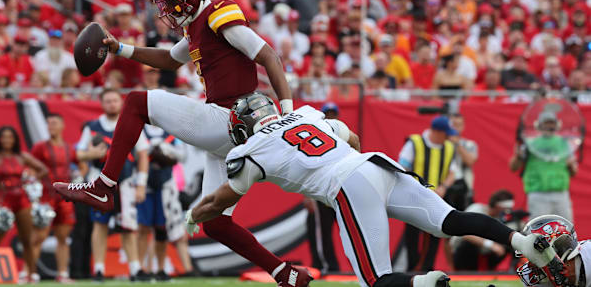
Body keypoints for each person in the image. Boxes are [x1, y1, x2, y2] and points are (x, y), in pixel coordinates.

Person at [54, 0, 304, 287]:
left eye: (171, 1)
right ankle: (284, 274)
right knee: (214, 223)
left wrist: (287, 110)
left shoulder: (219, 11)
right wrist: (120, 48)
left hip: (229, 117)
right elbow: (170, 60)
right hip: (229, 125)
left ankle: (104, 188)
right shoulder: (198, 21)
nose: (166, 9)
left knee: (136, 102)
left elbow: (268, 54)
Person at [185, 93, 561, 287]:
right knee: (451, 220)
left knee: (376, 280)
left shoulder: (249, 149)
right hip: (378, 165)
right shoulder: (305, 114)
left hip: (347, 183)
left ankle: (425, 282)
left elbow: (222, 200)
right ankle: (522, 243)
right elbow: (353, 136)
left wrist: (195, 214)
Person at [75, 89, 150, 282]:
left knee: (128, 226)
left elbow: (143, 154)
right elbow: (80, 154)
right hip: (100, 183)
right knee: (99, 225)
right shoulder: (92, 126)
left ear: (121, 102)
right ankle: (99, 269)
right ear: (101, 103)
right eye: (107, 101)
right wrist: (92, 154)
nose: (111, 104)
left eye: (115, 100)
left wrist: (141, 183)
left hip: (125, 182)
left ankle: (134, 268)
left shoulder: (131, 123)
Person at [0, 126, 48, 283]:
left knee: (26, 239)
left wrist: (30, 179)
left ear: (15, 139)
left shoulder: (22, 156)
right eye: (3, 137)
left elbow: (43, 169)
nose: (7, 140)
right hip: (3, 201)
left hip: (22, 200)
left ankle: (31, 273)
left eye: (10, 137)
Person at [395, 116, 458, 272]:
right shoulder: (415, 143)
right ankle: (412, 269)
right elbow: (403, 168)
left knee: (435, 235)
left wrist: (443, 187)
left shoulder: (449, 147)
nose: (448, 137)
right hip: (413, 198)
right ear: (437, 132)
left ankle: (427, 269)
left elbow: (453, 172)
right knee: (413, 237)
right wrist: (417, 187)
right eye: (446, 134)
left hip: (436, 199)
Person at [137, 124, 192, 280]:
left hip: (166, 186)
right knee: (143, 228)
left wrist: (164, 148)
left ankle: (160, 269)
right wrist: (149, 149)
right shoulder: (140, 131)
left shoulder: (171, 132)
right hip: (145, 185)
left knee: (162, 229)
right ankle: (140, 268)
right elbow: (133, 154)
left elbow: (182, 155)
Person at [30, 113, 77, 283]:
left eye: (54, 123)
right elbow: (30, 168)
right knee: (39, 236)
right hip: (46, 197)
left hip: (64, 198)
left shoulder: (68, 147)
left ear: (63, 126)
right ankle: (29, 273)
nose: (51, 126)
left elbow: (81, 164)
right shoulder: (40, 147)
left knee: (63, 237)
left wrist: (79, 178)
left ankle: (63, 274)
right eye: (48, 123)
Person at [509, 112, 577, 222]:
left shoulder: (564, 143)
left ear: (557, 125)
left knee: (566, 229)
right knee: (539, 231)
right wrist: (518, 156)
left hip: (561, 193)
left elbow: (574, 172)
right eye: (547, 123)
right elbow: (513, 167)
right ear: (540, 125)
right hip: (538, 193)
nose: (550, 126)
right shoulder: (530, 143)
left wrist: (571, 165)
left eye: (552, 123)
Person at [304, 102, 341, 273]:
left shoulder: (342, 137)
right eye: (328, 114)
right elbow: (308, 167)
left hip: (338, 191)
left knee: (347, 232)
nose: (331, 118)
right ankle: (324, 265)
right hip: (320, 191)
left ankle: (330, 265)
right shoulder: (315, 137)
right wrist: (308, 195)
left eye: (334, 114)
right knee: (320, 230)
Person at [515, 215, 590, 287]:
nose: (529, 265)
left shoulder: (588, 255)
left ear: (559, 251)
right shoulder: (532, 276)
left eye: (534, 256)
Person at [450, 190, 515, 270]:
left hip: (482, 250)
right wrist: (491, 245)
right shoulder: (477, 209)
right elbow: (465, 234)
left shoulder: (501, 218)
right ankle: (465, 271)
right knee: (469, 244)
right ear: (497, 206)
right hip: (461, 248)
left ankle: (493, 269)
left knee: (509, 241)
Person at [449, 113, 478, 208]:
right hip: (444, 189)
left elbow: (470, 161)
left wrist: (457, 144)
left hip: (463, 190)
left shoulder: (470, 144)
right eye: (454, 125)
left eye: (459, 125)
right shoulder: (441, 143)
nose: (456, 128)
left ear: (463, 126)